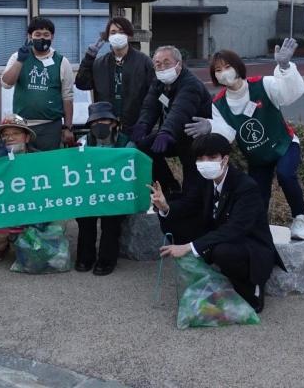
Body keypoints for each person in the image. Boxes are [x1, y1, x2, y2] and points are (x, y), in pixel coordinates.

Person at [184, 38, 304, 240]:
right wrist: (211, 127)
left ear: (238, 67)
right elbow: (227, 135)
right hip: (257, 156)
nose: (224, 72)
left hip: (284, 145)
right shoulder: (219, 103)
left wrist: (285, 67)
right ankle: (258, 229)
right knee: (257, 194)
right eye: (218, 70)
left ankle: (300, 218)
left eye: (227, 66)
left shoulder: (263, 84)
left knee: (286, 174)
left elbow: (290, 94)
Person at [152, 134, 284, 313]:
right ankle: (211, 275)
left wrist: (190, 247)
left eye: (212, 157)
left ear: (225, 159)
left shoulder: (245, 187)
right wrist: (165, 206)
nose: (205, 162)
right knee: (174, 221)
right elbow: (190, 204)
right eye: (200, 158)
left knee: (223, 252)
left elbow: (236, 229)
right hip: (219, 233)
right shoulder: (204, 180)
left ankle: (252, 288)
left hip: (250, 245)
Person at [131, 45, 211, 202]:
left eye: (167, 63)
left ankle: (193, 207)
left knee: (192, 184)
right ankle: (169, 186)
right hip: (174, 134)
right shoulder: (159, 82)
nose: (162, 67)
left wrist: (165, 132)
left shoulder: (190, 84)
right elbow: (150, 106)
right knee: (144, 147)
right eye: (158, 64)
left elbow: (180, 111)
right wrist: (142, 125)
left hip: (196, 137)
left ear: (179, 64)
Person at [74, 102, 134, 276]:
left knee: (111, 223)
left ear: (114, 123)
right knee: (85, 220)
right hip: (90, 192)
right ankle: (85, 257)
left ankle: (107, 259)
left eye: (103, 121)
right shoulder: (83, 142)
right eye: (94, 123)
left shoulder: (127, 143)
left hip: (116, 193)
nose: (98, 125)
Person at [1, 17, 75, 152]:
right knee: (23, 165)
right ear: (30, 36)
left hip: (50, 127)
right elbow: (6, 84)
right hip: (22, 127)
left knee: (48, 165)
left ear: (52, 36)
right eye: (38, 34)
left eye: (46, 35)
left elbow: (67, 97)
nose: (42, 38)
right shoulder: (18, 56)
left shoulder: (62, 61)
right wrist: (20, 61)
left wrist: (68, 127)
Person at [74, 17, 155, 137]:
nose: (117, 35)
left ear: (129, 35)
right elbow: (82, 84)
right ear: (108, 37)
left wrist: (145, 122)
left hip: (135, 124)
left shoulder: (144, 62)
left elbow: (154, 94)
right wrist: (89, 58)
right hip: (106, 125)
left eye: (121, 32)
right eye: (113, 32)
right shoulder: (99, 63)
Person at [0, 114, 39, 263]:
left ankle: (30, 240)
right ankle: (0, 246)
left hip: (35, 210)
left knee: (57, 221)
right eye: (6, 135)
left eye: (16, 133)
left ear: (27, 137)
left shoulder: (41, 160)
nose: (10, 138)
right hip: (6, 209)